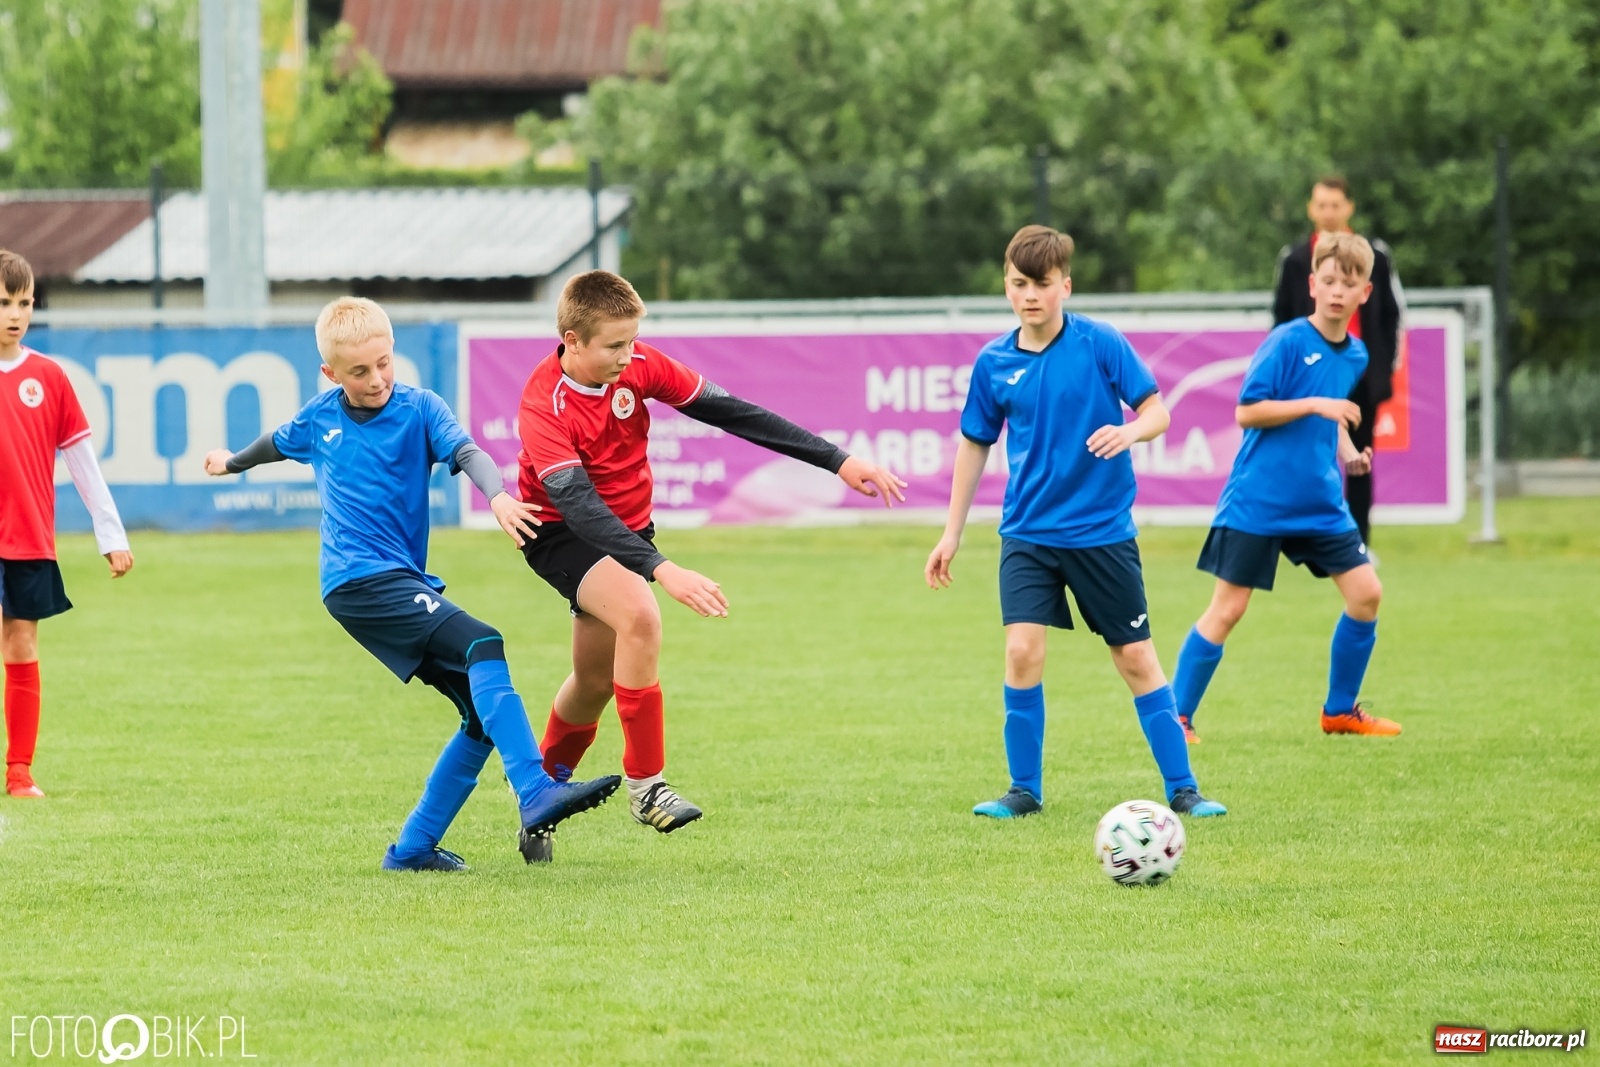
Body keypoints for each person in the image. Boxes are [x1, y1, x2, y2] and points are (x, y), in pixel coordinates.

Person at [204, 296, 619, 870]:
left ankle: (414, 849)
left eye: (383, 363)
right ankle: (534, 790)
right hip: (357, 580)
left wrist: (496, 495)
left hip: (394, 580)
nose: (375, 379)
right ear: (331, 374)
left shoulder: (421, 408)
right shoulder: (320, 417)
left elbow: (467, 451)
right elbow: (274, 443)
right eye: (358, 372)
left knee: (479, 714)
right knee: (482, 641)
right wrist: (230, 462)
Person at [515, 270, 906, 840]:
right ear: (572, 341)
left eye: (632, 341)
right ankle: (647, 788)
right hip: (561, 531)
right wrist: (662, 569)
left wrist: (836, 461)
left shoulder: (641, 363)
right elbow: (577, 505)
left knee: (594, 680)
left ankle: (539, 798)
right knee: (642, 618)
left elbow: (733, 411)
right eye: (614, 345)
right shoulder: (543, 403)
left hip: (629, 530)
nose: (629, 356)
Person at [924, 226, 1226, 819]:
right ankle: (1024, 791)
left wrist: (1130, 430)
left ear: (1065, 284)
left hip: (1102, 534)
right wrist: (951, 532)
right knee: (1020, 652)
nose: (1029, 295)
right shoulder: (993, 362)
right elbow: (973, 445)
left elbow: (1156, 410)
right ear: (1005, 286)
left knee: (1135, 658)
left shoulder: (1100, 342)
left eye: (1040, 284)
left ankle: (1184, 789)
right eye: (1017, 284)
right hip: (1028, 535)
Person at [1172, 233, 1401, 742]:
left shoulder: (1357, 355)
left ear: (1365, 292)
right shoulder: (1286, 341)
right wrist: (1318, 406)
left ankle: (1340, 711)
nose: (1338, 290)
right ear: (1312, 284)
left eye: (1350, 283)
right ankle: (1177, 717)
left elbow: (1330, 419)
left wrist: (1348, 453)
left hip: (1319, 502)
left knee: (1366, 594)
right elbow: (1248, 411)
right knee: (1228, 609)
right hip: (1260, 500)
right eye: (1329, 280)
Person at [0, 249, 133, 799]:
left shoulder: (48, 377)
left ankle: (19, 772)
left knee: (22, 644)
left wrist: (111, 534)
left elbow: (81, 462)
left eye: (25, 302)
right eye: (5, 301)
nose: (15, 313)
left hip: (28, 537)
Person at [1272, 177, 1405, 548]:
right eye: (1321, 205)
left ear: (1349, 208)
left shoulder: (1374, 255)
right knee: (1307, 453)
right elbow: (1280, 318)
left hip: (1360, 376)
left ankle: (1358, 541)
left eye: (1335, 204)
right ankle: (1301, 537)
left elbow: (1394, 315)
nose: (1328, 212)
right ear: (1311, 210)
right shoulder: (1295, 260)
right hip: (1310, 378)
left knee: (1359, 459)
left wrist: (1381, 372)